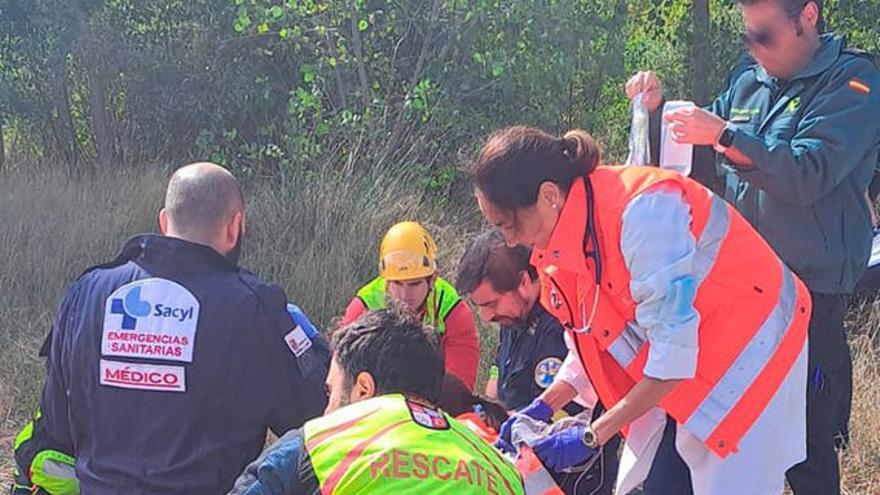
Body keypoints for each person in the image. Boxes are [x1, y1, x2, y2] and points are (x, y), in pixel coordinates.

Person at [471, 126, 812, 495]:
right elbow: (588, 340)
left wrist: (590, 436)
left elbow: (671, 362)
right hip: (687, 366)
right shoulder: (558, 248)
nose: (509, 240)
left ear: (548, 195)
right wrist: (543, 405)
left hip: (750, 357)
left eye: (508, 224)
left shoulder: (645, 214)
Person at [625, 2, 880, 492]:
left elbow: (808, 172)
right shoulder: (747, 81)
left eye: (765, 36)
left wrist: (723, 135)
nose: (755, 49)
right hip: (740, 294)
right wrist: (657, 115)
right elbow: (698, 161)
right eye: (748, 37)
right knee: (722, 433)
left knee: (805, 445)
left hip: (810, 297)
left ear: (808, 15)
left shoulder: (856, 83)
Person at [11, 163, 330, 495]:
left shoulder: (86, 293)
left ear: (165, 221)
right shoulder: (256, 309)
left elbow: (56, 425)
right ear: (235, 227)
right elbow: (320, 420)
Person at [228, 307, 525, 495]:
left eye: (331, 393)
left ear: (363, 389)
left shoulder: (321, 444)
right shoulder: (499, 469)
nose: (327, 410)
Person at [456, 229, 619, 495]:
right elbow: (500, 370)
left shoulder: (559, 321)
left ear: (523, 282)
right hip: (523, 467)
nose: (486, 317)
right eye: (480, 307)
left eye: (491, 304)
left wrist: (522, 418)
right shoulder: (513, 316)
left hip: (572, 469)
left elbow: (580, 405)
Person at [340, 221, 480, 390]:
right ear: (386, 282)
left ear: (432, 280)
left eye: (414, 284)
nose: (405, 295)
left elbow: (459, 387)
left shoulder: (452, 311)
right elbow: (342, 381)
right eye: (397, 284)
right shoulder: (362, 307)